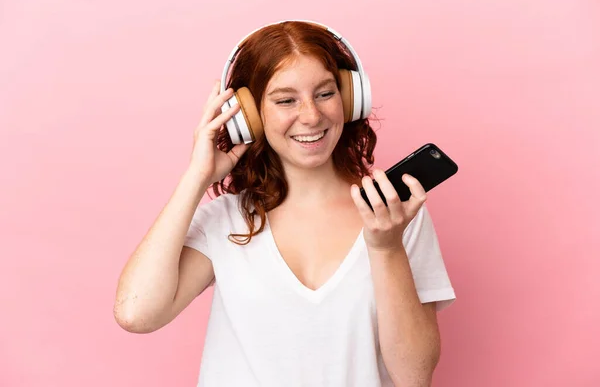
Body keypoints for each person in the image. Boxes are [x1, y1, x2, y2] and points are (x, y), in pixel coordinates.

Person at [113, 20, 456, 387]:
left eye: (325, 94)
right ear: (249, 117)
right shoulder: (227, 220)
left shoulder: (394, 214)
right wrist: (197, 178)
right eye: (286, 100)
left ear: (351, 98)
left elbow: (414, 376)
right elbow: (136, 313)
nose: (311, 116)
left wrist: (386, 248)